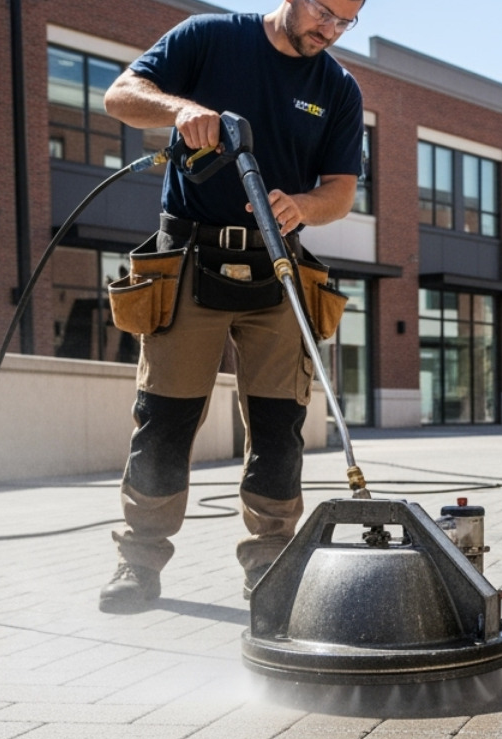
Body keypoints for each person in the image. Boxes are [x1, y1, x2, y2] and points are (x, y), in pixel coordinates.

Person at [98, 0, 365, 611]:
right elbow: (121, 95)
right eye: (325, 13)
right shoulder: (210, 37)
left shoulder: (338, 88)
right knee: (164, 418)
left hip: (279, 268)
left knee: (279, 427)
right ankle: (138, 562)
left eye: (345, 22)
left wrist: (303, 207)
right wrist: (183, 108)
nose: (330, 30)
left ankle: (271, 569)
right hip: (190, 257)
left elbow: (341, 192)